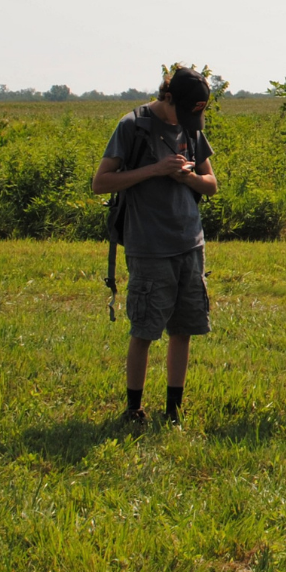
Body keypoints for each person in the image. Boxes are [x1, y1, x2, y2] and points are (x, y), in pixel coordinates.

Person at [91, 66, 217, 425]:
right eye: (188, 111)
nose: (193, 120)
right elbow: (100, 182)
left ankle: (174, 408)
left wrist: (188, 176)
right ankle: (134, 408)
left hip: (190, 243)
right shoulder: (133, 126)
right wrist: (155, 170)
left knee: (184, 329)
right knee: (144, 329)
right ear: (168, 98)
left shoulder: (191, 128)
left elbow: (211, 185)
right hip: (148, 245)